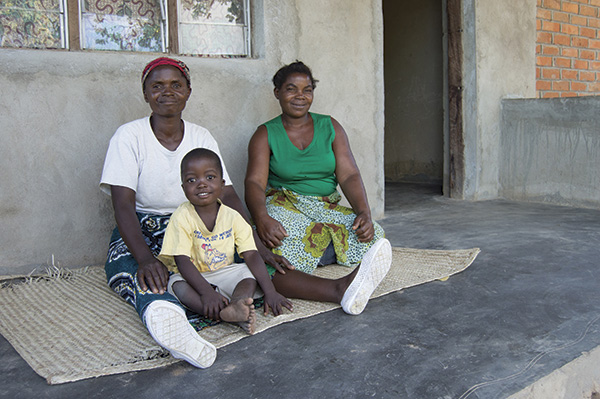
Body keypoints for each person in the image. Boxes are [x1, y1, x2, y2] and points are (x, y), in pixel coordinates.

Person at [100, 57, 288, 369]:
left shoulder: (201, 136)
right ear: (145, 93)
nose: (167, 92)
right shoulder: (128, 136)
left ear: (188, 91)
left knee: (252, 266)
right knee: (145, 276)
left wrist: (254, 241)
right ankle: (171, 326)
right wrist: (146, 258)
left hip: (202, 223)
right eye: (157, 86)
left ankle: (232, 307)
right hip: (146, 227)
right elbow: (122, 205)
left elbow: (226, 194)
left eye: (176, 85)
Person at [245, 61, 392, 316]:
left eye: (307, 89)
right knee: (272, 249)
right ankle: (334, 280)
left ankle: (319, 253)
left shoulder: (330, 126)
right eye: (291, 89)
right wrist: (262, 218)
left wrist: (364, 213)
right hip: (284, 203)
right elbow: (254, 182)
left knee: (374, 234)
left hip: (324, 205)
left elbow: (349, 174)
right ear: (277, 93)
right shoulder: (265, 134)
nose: (300, 96)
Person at [158, 148, 292, 337]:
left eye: (210, 177)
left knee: (247, 274)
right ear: (183, 188)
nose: (201, 184)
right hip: (194, 276)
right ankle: (225, 314)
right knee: (177, 286)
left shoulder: (232, 216)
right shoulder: (181, 217)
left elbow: (251, 254)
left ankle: (238, 303)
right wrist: (206, 293)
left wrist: (270, 291)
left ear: (222, 184)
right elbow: (182, 261)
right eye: (191, 180)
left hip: (225, 272)